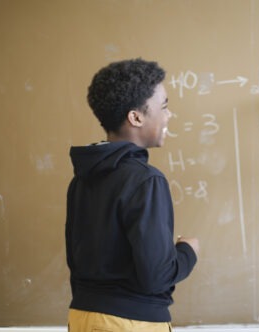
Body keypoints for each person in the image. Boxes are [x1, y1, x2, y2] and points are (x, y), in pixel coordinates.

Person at [65, 58, 199, 332]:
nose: (168, 115)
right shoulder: (146, 180)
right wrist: (188, 251)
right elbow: (157, 276)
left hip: (82, 317)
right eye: (163, 107)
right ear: (136, 117)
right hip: (131, 323)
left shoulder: (82, 178)